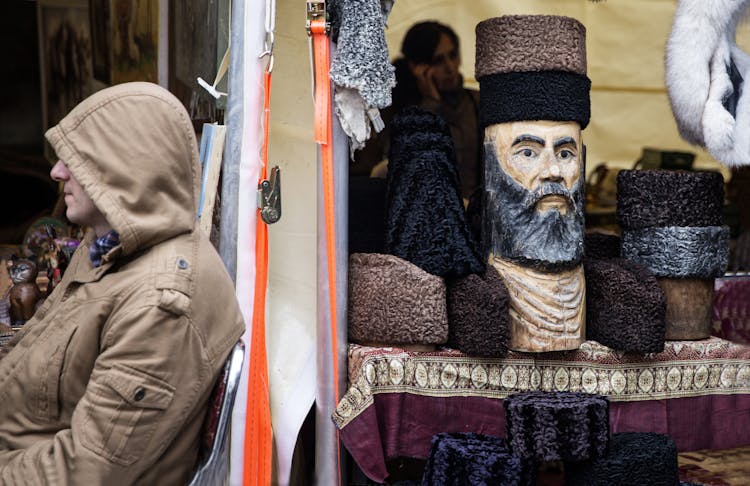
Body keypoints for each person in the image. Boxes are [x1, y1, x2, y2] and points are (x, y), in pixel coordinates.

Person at [0, 82, 245, 484]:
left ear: (126, 170)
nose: (56, 172)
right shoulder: (112, 244)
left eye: (76, 161)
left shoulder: (160, 307)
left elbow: (82, 471)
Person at [353, 21, 482, 203]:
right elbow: (401, 161)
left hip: (473, 213)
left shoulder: (476, 102)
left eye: (452, 55)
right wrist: (431, 103)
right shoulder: (398, 108)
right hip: (423, 211)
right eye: (438, 60)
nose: (450, 67)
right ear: (418, 68)